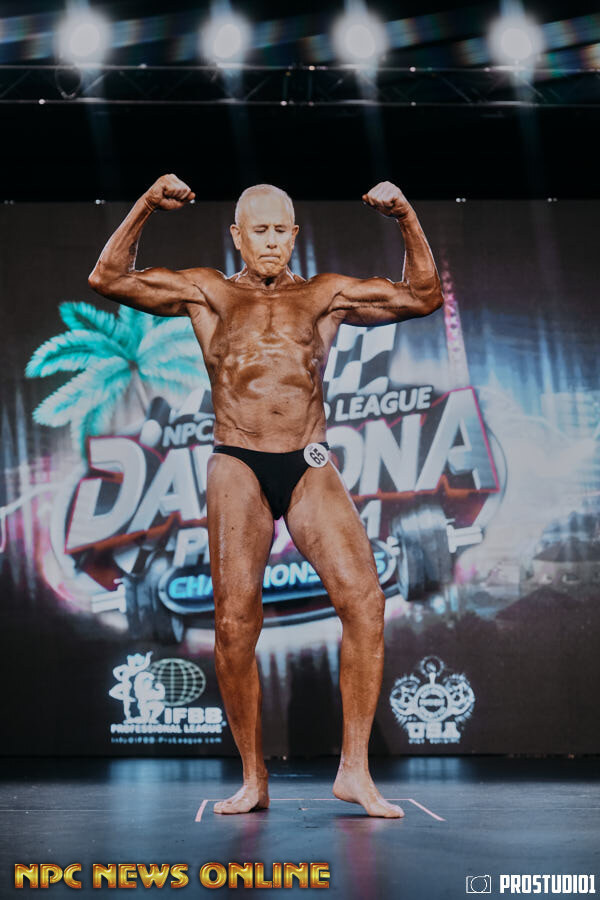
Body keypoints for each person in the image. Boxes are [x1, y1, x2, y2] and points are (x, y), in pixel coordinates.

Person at [89, 174, 444, 818]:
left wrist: (404, 215)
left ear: (295, 234)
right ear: (238, 236)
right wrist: (144, 205)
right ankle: (253, 779)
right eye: (261, 230)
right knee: (234, 623)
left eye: (282, 230)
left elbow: (423, 296)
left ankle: (355, 771)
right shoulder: (210, 292)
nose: (273, 241)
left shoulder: (324, 295)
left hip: (308, 458)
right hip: (238, 460)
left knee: (366, 601)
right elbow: (108, 278)